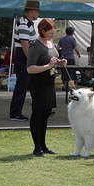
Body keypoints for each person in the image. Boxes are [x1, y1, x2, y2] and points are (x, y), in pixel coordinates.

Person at [27, 18, 67, 157]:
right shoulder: (35, 46)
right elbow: (30, 69)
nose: (52, 35)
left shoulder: (51, 43)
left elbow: (53, 59)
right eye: (50, 33)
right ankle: (36, 147)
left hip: (49, 84)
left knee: (45, 114)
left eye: (53, 32)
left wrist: (60, 62)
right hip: (38, 84)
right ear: (42, 31)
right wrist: (48, 66)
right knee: (37, 114)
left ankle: (43, 146)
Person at [9, 1, 40, 121]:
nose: (38, 13)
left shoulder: (27, 23)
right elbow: (25, 44)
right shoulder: (24, 24)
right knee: (22, 86)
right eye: (37, 11)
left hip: (24, 56)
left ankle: (38, 108)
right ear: (31, 11)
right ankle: (15, 113)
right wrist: (31, 60)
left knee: (27, 85)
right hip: (24, 56)